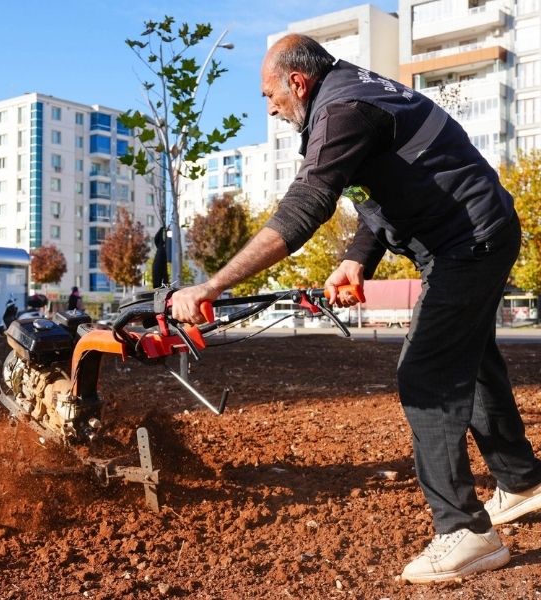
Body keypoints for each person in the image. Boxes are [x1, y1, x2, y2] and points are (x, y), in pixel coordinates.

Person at [171, 34, 541, 584]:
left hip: (470, 241)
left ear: (297, 81)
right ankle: (522, 481)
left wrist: (212, 286)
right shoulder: (354, 95)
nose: (268, 106)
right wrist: (356, 260)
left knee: (428, 375)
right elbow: (385, 184)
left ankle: (465, 532)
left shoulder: (341, 109)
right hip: (472, 235)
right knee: (471, 359)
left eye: (269, 93)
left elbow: (304, 208)